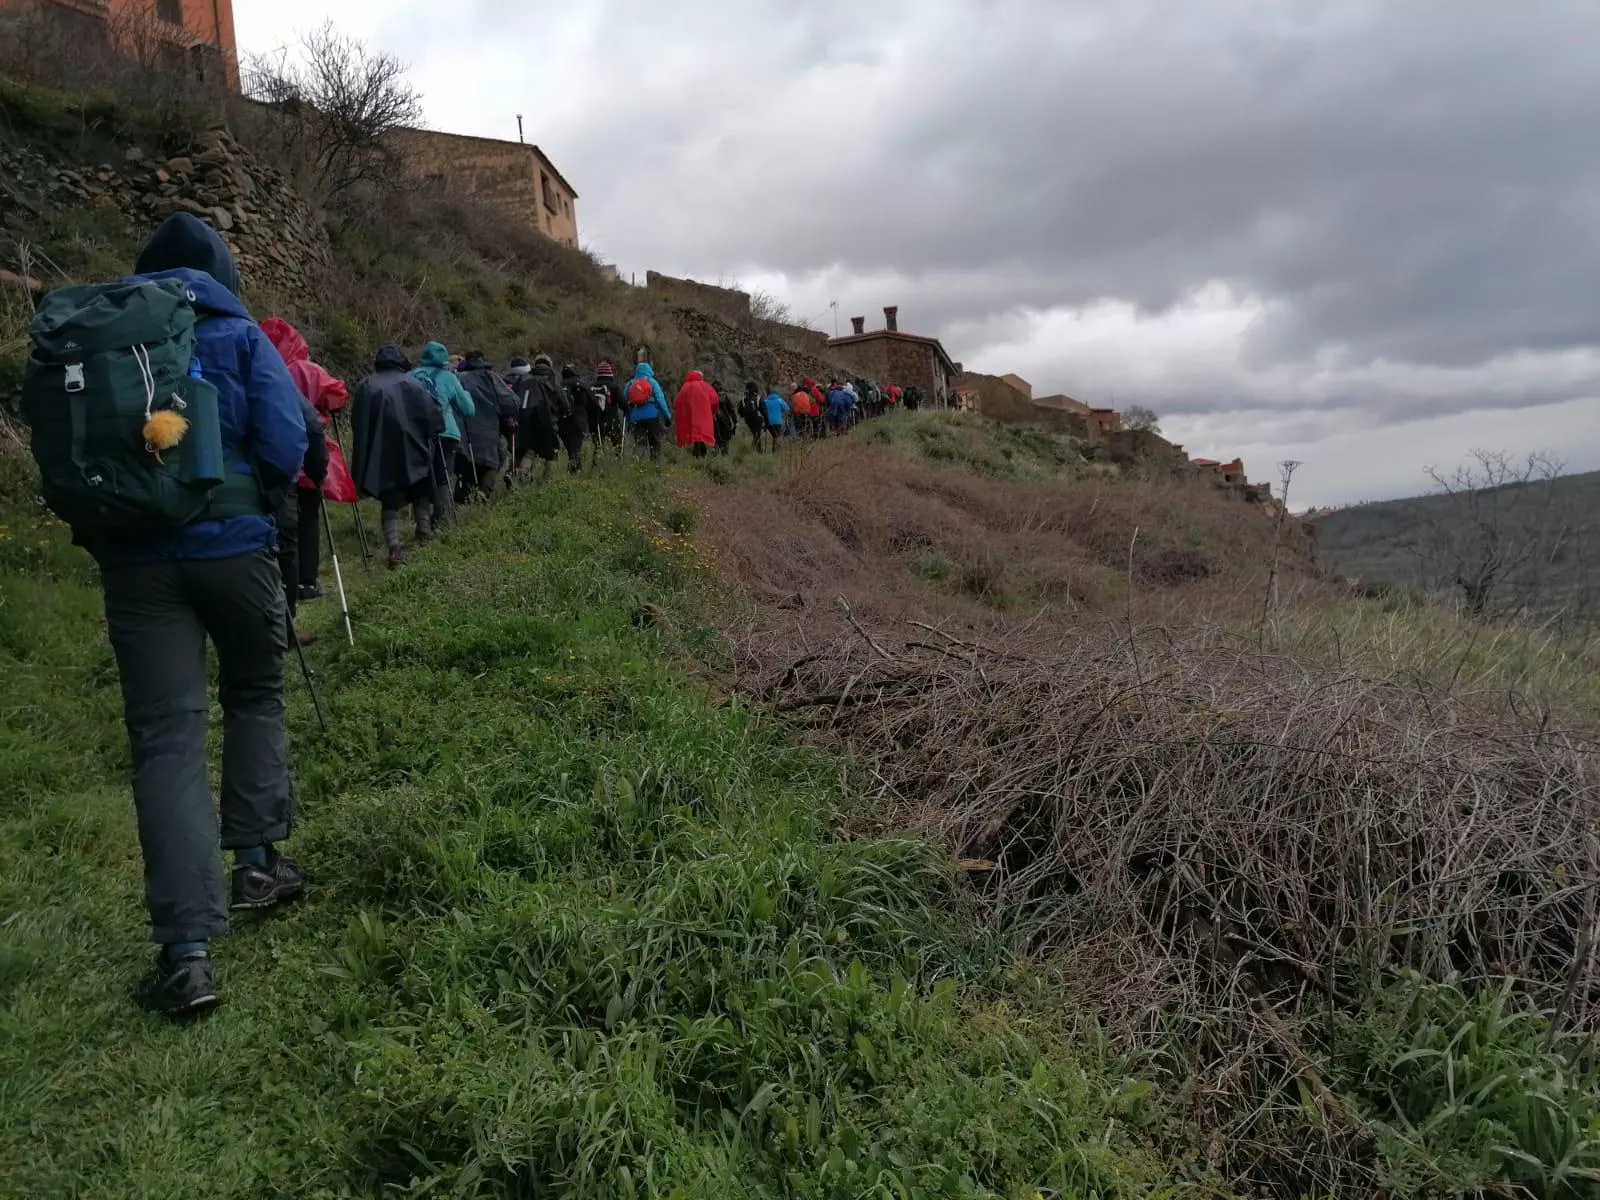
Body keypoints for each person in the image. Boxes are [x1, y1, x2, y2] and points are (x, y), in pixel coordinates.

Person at [88, 213, 308, 1014]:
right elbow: (287, 446)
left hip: (137, 562)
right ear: (224, 270)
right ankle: (256, 862)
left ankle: (185, 956)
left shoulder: (110, 333)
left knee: (166, 738)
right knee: (253, 694)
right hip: (236, 548)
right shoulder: (239, 333)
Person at [261, 318, 349, 604]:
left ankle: (284, 583)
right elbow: (338, 394)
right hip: (310, 456)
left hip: (277, 460)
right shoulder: (307, 369)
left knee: (281, 525)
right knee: (309, 520)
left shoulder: (264, 370)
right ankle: (307, 581)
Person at [351, 344, 444, 567]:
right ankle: (424, 532)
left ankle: (394, 548)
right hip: (414, 447)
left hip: (381, 452)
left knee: (389, 498)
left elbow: (357, 421)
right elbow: (434, 417)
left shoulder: (366, 386)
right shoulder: (414, 383)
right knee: (421, 489)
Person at [274, 393, 329, 644]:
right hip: (277, 476)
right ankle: (284, 628)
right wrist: (317, 470)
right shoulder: (267, 366)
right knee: (285, 548)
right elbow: (312, 424)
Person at [412, 341, 474, 524]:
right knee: (443, 477)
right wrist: (467, 395)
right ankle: (444, 520)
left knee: (420, 475)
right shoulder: (449, 377)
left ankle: (422, 522)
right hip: (446, 432)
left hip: (417, 433)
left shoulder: (411, 376)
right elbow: (468, 409)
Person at [455, 351, 517, 501]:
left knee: (467, 466)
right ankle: (482, 493)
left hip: (463, 430)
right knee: (491, 463)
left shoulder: (457, 378)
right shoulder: (491, 377)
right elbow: (511, 401)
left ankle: (460, 502)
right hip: (489, 429)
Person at [625, 360, 670, 462]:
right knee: (654, 442)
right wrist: (667, 416)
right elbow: (660, 399)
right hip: (652, 416)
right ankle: (655, 467)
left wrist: (629, 419)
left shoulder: (630, 384)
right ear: (649, 370)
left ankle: (635, 462)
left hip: (635, 417)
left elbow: (625, 404)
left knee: (640, 443)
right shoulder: (652, 382)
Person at [674, 369, 718, 458]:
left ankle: (696, 456)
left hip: (690, 418)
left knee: (695, 437)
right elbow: (715, 401)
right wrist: (711, 411)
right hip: (703, 416)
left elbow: (678, 403)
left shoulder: (684, 387)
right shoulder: (705, 386)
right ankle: (702, 456)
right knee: (701, 436)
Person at [590, 360, 626, 463]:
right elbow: (623, 403)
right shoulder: (614, 387)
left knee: (598, 446)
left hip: (595, 423)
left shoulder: (593, 387)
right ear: (610, 374)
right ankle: (618, 462)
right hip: (612, 422)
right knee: (618, 443)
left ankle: (596, 465)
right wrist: (626, 410)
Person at [559, 363, 591, 473]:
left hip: (562, 423)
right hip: (579, 422)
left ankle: (576, 472)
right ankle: (573, 469)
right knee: (576, 448)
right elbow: (594, 403)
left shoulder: (559, 386)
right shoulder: (582, 385)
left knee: (571, 449)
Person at [711, 377, 737, 456]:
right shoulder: (725, 396)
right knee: (725, 440)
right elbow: (731, 410)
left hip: (714, 420)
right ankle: (724, 456)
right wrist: (735, 422)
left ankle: (715, 455)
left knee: (715, 439)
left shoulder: (710, 395)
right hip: (726, 421)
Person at [762, 386, 791, 452]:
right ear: (777, 394)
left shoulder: (765, 401)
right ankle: (776, 450)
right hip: (778, 421)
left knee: (774, 435)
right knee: (777, 436)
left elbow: (762, 410)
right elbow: (787, 409)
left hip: (768, 422)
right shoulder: (779, 400)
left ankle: (775, 450)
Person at [740, 381, 766, 449]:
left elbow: (741, 412)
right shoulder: (757, 397)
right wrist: (766, 421)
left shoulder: (744, 399)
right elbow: (763, 409)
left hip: (748, 420)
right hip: (757, 418)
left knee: (755, 435)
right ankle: (757, 450)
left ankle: (754, 450)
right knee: (757, 435)